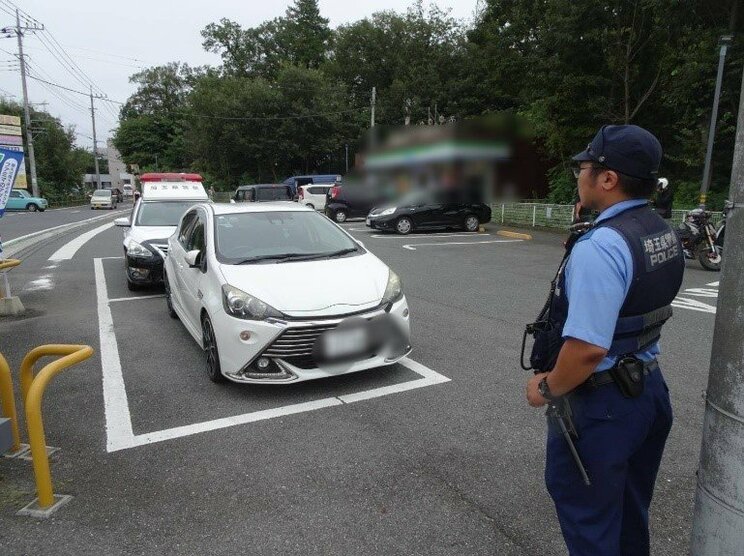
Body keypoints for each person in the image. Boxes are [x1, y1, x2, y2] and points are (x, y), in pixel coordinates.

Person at [525, 125, 684, 555]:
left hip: (604, 405)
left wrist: (544, 387)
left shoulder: (602, 247)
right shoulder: (659, 230)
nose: (579, 174)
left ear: (608, 178)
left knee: (590, 523)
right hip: (649, 389)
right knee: (631, 514)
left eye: (584, 167)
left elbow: (589, 348)